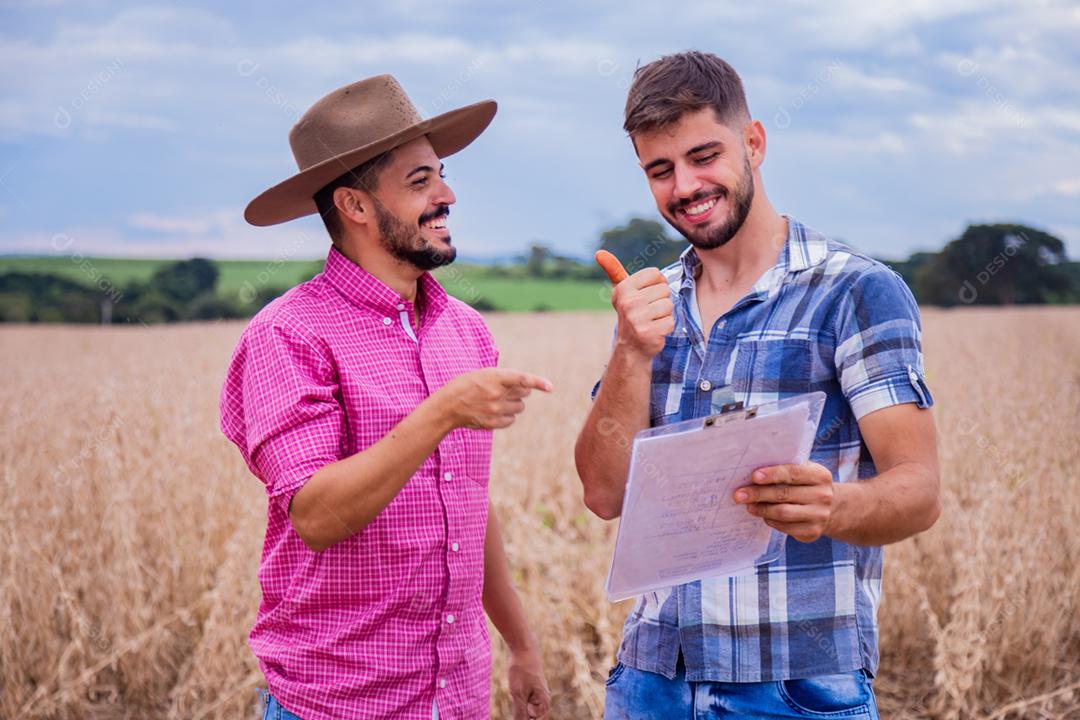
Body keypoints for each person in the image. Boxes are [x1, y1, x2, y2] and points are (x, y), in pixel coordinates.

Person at [576, 51, 940, 719]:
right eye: (661, 170)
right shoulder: (653, 305)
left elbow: (918, 491)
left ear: (754, 142)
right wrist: (630, 351)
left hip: (795, 691)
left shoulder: (855, 291)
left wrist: (832, 508)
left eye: (703, 156)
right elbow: (602, 493)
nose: (685, 185)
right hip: (651, 679)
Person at [221, 74, 552, 720]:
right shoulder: (287, 336)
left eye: (442, 176)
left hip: (456, 698)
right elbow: (314, 516)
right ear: (357, 206)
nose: (447, 196)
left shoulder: (467, 330)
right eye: (420, 181)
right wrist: (441, 412)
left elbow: (467, 504)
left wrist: (521, 644)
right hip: (338, 705)